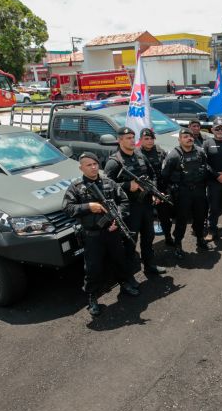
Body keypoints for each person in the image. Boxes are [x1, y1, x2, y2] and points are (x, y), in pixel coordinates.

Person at [62, 153, 140, 316]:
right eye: (88, 165)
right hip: (92, 235)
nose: (93, 167)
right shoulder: (76, 187)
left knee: (120, 260)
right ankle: (92, 296)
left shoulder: (109, 182)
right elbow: (68, 209)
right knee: (93, 267)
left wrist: (117, 220)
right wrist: (88, 207)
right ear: (81, 167)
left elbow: (124, 202)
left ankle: (125, 283)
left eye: (95, 164)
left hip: (112, 232)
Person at [103, 127, 166, 275]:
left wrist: (154, 192)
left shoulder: (139, 156)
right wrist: (126, 185)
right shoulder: (114, 162)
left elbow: (152, 176)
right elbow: (106, 186)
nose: (132, 140)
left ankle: (150, 265)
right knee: (130, 242)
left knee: (148, 237)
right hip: (129, 209)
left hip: (146, 205)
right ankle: (129, 276)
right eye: (128, 138)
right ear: (120, 140)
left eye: (133, 137)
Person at [162, 127, 212, 259]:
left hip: (199, 191)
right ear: (179, 140)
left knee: (201, 217)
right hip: (182, 194)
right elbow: (165, 176)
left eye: (190, 136)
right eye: (185, 136)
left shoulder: (200, 152)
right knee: (182, 221)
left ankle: (200, 239)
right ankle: (178, 244)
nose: (189, 138)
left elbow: (206, 168)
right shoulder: (173, 155)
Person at [139, 128, 173, 246]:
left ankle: (168, 237)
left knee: (165, 217)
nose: (149, 141)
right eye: (146, 139)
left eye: (151, 138)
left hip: (161, 190)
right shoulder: (137, 154)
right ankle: (148, 246)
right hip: (146, 191)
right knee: (147, 222)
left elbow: (166, 169)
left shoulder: (160, 151)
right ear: (141, 140)